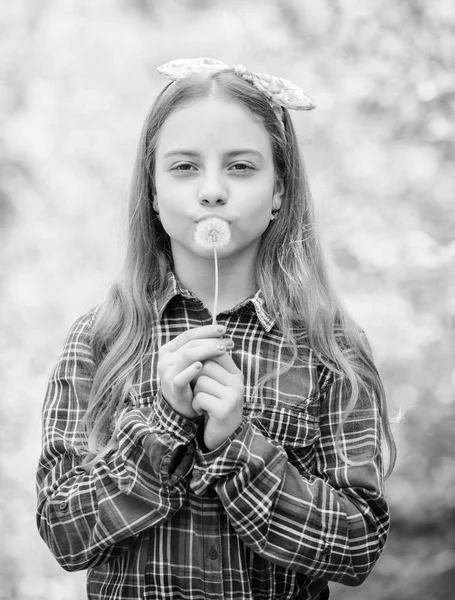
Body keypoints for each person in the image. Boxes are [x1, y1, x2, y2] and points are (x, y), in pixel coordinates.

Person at [36, 57, 396, 600]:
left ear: (280, 189)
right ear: (153, 193)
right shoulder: (101, 338)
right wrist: (162, 425)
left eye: (241, 167)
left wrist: (237, 445)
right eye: (184, 167)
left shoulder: (331, 347)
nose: (211, 190)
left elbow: (356, 546)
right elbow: (64, 533)